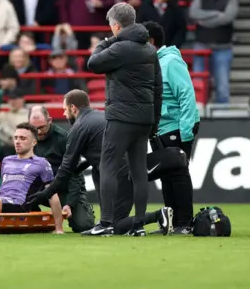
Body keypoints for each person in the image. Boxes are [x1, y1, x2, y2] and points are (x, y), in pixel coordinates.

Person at [28, 90, 178, 237]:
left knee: (116, 226)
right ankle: (107, 222)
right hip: (130, 170)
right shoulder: (103, 116)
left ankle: (158, 215)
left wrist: (46, 193)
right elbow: (104, 149)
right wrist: (83, 165)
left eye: (65, 109)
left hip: (118, 175)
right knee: (97, 172)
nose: (64, 114)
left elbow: (66, 167)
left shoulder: (79, 127)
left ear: (73, 107)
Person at [86, 3, 162, 236]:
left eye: (111, 26)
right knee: (139, 172)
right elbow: (158, 88)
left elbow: (93, 63)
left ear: (116, 25)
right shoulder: (149, 49)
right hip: (144, 119)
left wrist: (106, 41)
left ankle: (106, 222)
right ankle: (138, 225)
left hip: (121, 117)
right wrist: (154, 122)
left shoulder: (119, 48)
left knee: (107, 165)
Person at [143, 21, 200, 234]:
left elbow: (186, 95)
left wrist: (185, 132)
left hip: (176, 127)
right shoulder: (155, 63)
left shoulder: (171, 62)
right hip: (162, 130)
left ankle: (184, 224)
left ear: (150, 41)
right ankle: (173, 223)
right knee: (166, 175)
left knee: (178, 174)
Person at [0, 123, 65, 235]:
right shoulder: (6, 160)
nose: (18, 141)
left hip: (20, 204)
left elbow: (52, 194)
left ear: (34, 142)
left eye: (23, 138)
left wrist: (59, 229)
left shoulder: (41, 163)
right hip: (3, 202)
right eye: (16, 138)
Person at [29, 105, 95, 233]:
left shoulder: (64, 138)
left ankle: (83, 208)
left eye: (42, 127)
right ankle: (34, 216)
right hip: (39, 188)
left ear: (50, 120)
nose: (39, 132)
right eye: (34, 128)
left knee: (83, 225)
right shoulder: (25, 137)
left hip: (64, 189)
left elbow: (76, 174)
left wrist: (69, 203)